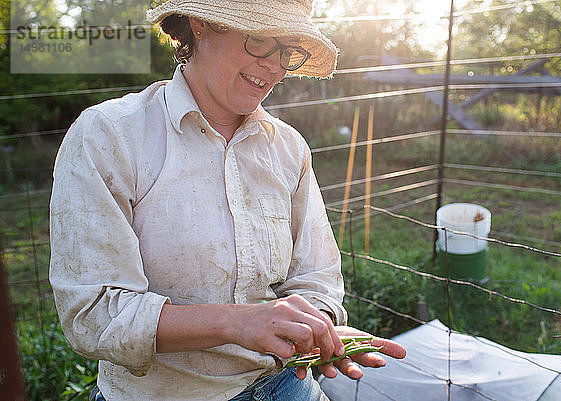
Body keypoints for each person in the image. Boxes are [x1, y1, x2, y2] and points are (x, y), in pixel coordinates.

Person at [49, 0, 406, 400]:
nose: (275, 67)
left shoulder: (287, 148)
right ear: (201, 24)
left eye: (288, 51)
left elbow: (317, 276)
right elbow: (93, 315)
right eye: (259, 40)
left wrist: (313, 330)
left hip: (288, 387)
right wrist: (235, 322)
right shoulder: (111, 135)